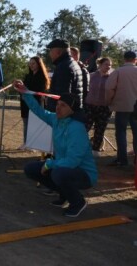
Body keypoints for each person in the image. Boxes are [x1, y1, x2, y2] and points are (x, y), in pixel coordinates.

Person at [14, 80, 97, 217]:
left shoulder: (77, 129)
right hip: (64, 166)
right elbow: (38, 111)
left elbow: (73, 161)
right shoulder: (56, 119)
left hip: (84, 173)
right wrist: (25, 92)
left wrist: (50, 163)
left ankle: (78, 202)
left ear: (72, 110)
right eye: (58, 104)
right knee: (30, 169)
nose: (58, 108)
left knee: (57, 173)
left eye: (63, 106)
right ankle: (64, 195)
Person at [105, 51, 137, 167]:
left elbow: (109, 88)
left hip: (121, 106)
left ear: (124, 59)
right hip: (136, 107)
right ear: (135, 59)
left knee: (121, 133)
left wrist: (109, 102)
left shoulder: (118, 71)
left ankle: (122, 159)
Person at [18, 56, 50, 149]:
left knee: (34, 123)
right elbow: (23, 89)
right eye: (30, 63)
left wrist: (27, 90)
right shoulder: (28, 76)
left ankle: (33, 144)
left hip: (35, 103)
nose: (31, 65)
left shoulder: (42, 77)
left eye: (33, 63)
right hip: (25, 103)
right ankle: (26, 142)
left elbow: (39, 90)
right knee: (25, 123)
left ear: (39, 64)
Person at [84, 57, 113, 157]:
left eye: (110, 65)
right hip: (89, 106)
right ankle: (81, 147)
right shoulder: (91, 76)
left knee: (100, 129)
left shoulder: (111, 78)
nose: (108, 67)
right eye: (106, 64)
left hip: (104, 107)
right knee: (85, 128)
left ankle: (95, 150)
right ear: (100, 65)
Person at [45, 39, 83, 112]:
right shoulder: (73, 64)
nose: (50, 54)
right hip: (73, 111)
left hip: (63, 114)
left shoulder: (63, 67)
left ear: (58, 52)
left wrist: (54, 111)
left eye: (51, 51)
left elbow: (63, 96)